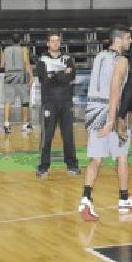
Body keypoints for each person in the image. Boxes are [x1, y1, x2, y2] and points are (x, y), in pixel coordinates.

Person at [78, 25, 132, 221]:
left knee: (96, 159)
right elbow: (115, 87)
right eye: (128, 38)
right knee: (122, 156)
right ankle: (123, 198)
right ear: (119, 40)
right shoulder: (122, 60)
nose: (130, 41)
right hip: (110, 110)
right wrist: (112, 119)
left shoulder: (99, 56)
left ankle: (86, 197)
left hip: (93, 109)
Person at [35, 32, 81, 178]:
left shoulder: (68, 59)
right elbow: (44, 78)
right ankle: (43, 167)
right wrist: (61, 74)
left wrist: (54, 74)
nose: (55, 43)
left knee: (68, 136)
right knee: (47, 136)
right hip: (49, 102)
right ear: (48, 43)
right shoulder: (42, 59)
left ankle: (72, 165)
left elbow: (71, 76)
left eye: (57, 41)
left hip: (66, 102)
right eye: (52, 41)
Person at [0, 33, 34, 134]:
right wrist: (31, 76)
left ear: (11, 41)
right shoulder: (24, 49)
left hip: (9, 75)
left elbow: (2, 65)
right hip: (20, 75)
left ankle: (6, 124)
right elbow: (26, 63)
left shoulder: (5, 50)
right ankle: (24, 125)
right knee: (25, 101)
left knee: (8, 100)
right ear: (20, 41)